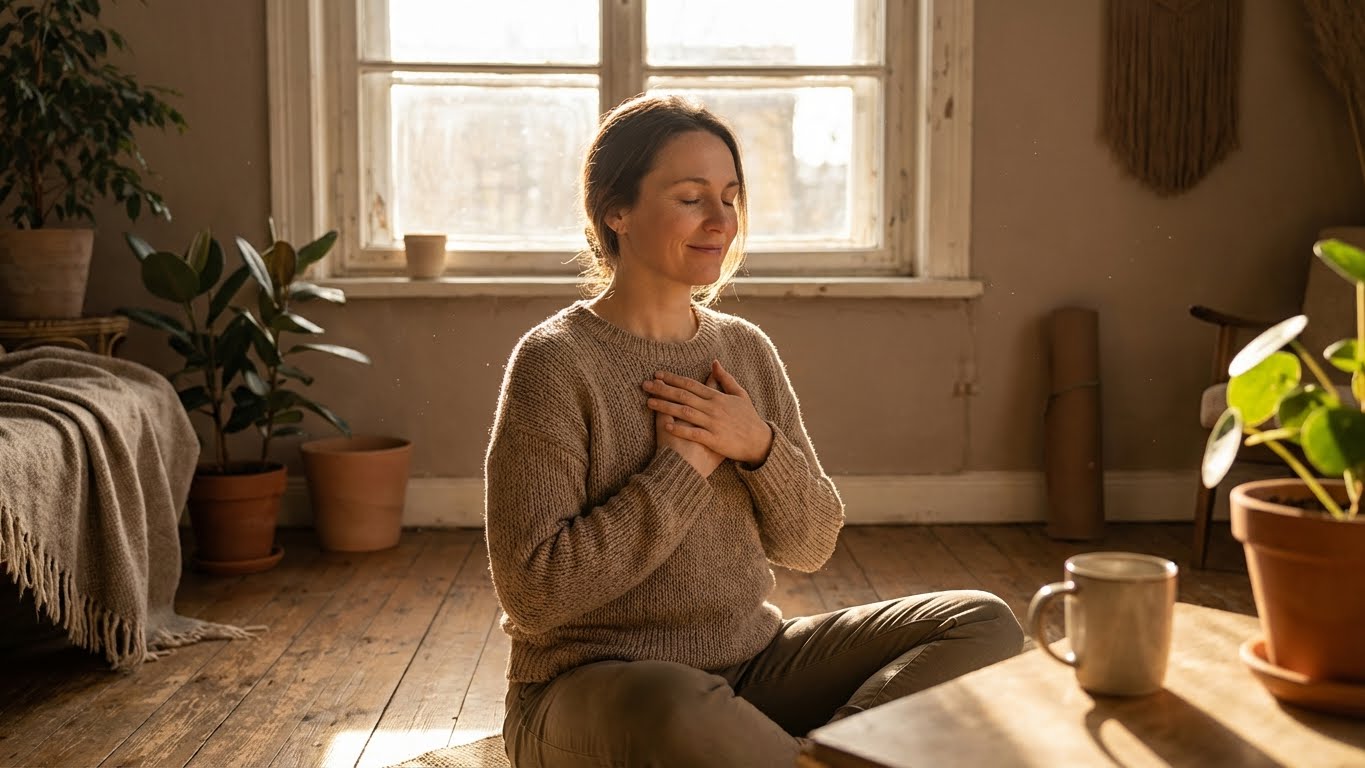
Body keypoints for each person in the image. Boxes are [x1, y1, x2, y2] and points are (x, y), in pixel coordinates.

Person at [484, 94, 1024, 767]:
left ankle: (811, 761)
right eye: (691, 198)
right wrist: (681, 469)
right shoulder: (556, 362)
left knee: (980, 621)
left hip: (750, 666)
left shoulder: (743, 350)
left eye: (730, 197)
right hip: (593, 690)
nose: (720, 221)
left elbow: (811, 543)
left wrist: (759, 448)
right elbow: (534, 595)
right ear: (615, 211)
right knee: (677, 705)